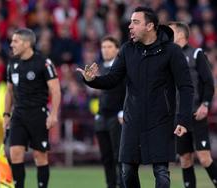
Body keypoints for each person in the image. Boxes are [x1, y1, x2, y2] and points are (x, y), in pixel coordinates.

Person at [77, 6, 194, 188]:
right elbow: (112, 79)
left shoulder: (172, 51)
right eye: (130, 21)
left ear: (150, 26)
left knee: (161, 172)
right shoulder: (127, 50)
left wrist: (184, 119)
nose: (130, 26)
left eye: (135, 22)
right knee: (127, 170)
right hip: (132, 120)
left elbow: (186, 87)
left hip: (161, 119)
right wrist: (91, 80)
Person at [3, 28, 61, 188]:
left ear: (27, 43)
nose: (11, 44)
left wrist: (53, 114)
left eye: (15, 41)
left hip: (38, 114)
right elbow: (8, 91)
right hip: (18, 115)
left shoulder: (44, 62)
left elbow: (55, 90)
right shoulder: (12, 63)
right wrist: (6, 114)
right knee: (15, 154)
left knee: (40, 156)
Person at [168, 22, 217, 188]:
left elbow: (209, 83)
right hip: (179, 116)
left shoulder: (196, 53)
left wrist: (205, 104)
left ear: (181, 34)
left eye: (171, 31)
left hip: (196, 113)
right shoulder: (170, 57)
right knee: (185, 159)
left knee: (204, 158)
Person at [95, 36, 135, 188]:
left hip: (116, 117)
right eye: (103, 47)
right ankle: (110, 185)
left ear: (117, 49)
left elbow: (128, 91)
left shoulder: (122, 69)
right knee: (106, 157)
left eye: (109, 47)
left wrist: (123, 111)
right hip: (102, 117)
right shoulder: (101, 67)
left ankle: (122, 184)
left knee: (118, 155)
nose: (105, 50)